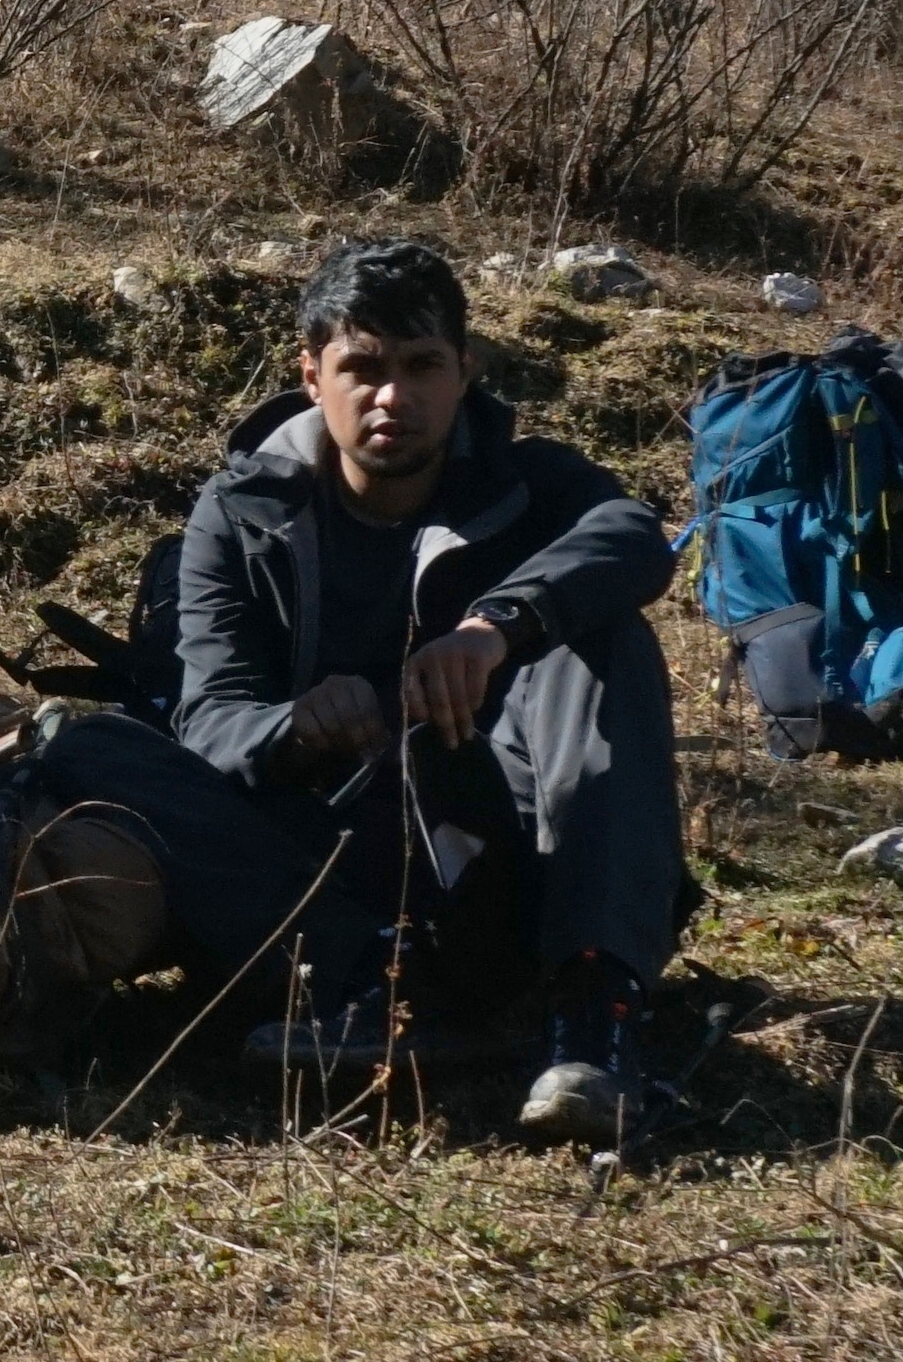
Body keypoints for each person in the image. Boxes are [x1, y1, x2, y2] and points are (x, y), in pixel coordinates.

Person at [161, 238, 683, 1142]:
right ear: (311, 375)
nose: (391, 397)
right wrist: (294, 726)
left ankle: (592, 1023)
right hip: (329, 865)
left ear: (465, 370)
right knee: (86, 749)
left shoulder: (533, 485)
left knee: (602, 642)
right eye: (360, 368)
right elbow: (206, 719)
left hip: (504, 854)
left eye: (421, 366)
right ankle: (375, 996)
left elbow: (634, 539)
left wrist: (496, 629)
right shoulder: (240, 510)